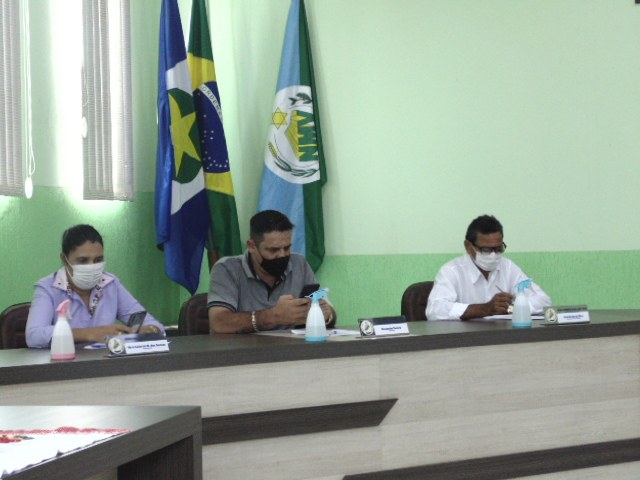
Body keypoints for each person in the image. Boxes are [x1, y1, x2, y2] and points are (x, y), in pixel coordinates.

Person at [26, 224, 165, 348]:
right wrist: (89, 334)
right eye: (83, 260)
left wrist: (150, 330)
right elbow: (34, 336)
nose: (91, 266)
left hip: (105, 363)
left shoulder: (111, 284)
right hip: (64, 364)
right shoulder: (48, 288)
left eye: (98, 260)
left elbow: (152, 323)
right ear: (64, 259)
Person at [208, 210, 336, 334]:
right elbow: (218, 322)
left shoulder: (299, 263)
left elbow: (329, 312)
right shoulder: (227, 269)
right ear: (252, 246)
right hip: (244, 348)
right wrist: (272, 317)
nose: (282, 255)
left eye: (287, 248)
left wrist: (326, 315)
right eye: (274, 250)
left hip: (292, 346)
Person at [426, 215, 551, 321]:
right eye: (486, 249)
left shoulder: (508, 267)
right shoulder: (451, 272)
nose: (493, 255)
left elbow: (543, 301)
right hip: (466, 338)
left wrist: (511, 308)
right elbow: (435, 310)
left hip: (503, 336)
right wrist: (484, 309)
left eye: (498, 249)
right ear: (468, 246)